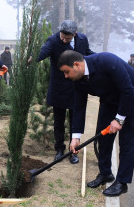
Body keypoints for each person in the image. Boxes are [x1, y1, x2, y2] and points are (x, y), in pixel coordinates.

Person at [58, 50, 134, 197]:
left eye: (67, 72)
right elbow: (79, 106)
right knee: (103, 137)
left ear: (77, 65)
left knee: (127, 142)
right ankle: (106, 174)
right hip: (110, 100)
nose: (66, 76)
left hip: (133, 97)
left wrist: (119, 119)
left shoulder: (106, 61)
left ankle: (122, 182)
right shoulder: (78, 79)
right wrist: (75, 137)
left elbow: (127, 90)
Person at [38, 20, 95, 164]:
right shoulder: (53, 40)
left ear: (74, 34)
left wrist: (102, 59)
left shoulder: (83, 39)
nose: (63, 40)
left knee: (75, 121)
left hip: (78, 87)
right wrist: (31, 59)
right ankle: (59, 149)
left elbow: (88, 54)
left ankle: (73, 151)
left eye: (67, 38)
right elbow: (43, 52)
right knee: (59, 121)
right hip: (59, 88)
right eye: (62, 36)